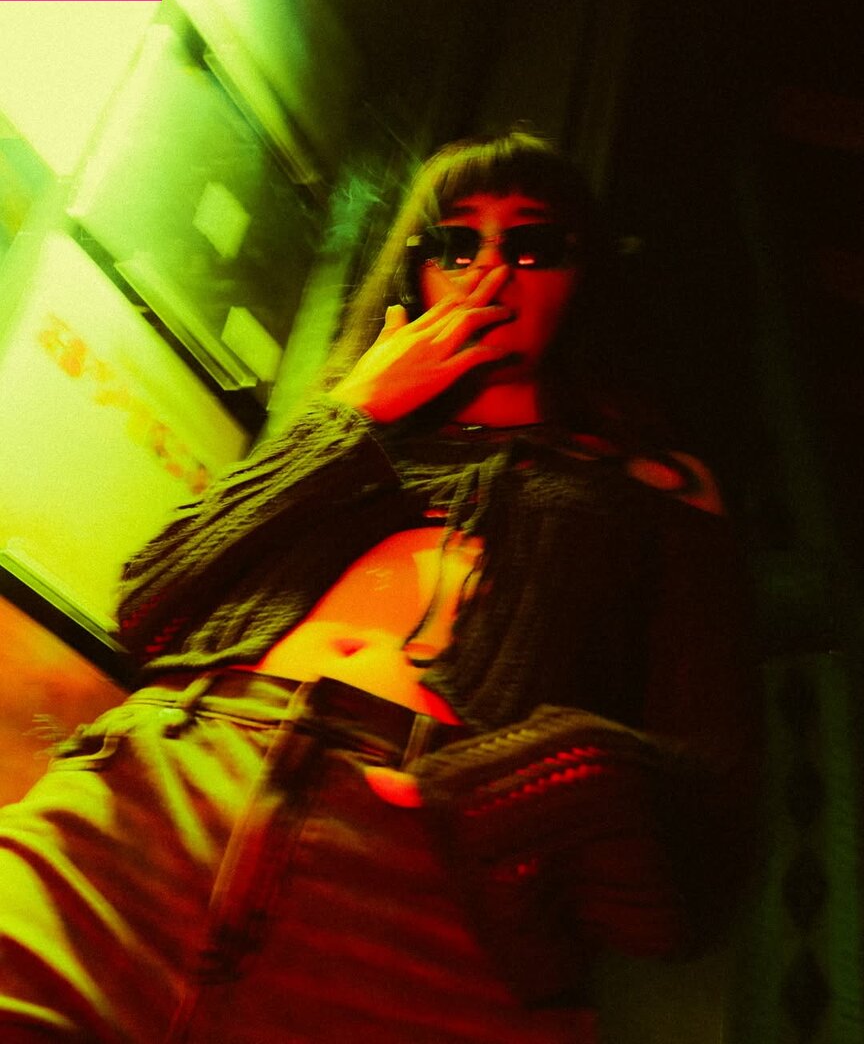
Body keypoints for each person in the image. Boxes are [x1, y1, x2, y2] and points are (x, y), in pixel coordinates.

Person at [0, 131, 758, 1042]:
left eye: (533, 244)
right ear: (416, 272)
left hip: (434, 891)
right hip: (160, 802)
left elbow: (712, 791)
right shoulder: (350, 442)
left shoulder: (653, 484)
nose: (490, 272)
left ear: (583, 275)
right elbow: (150, 602)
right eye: (457, 243)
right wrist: (353, 413)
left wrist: (516, 788)